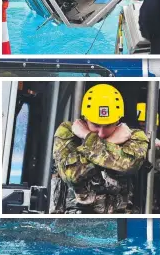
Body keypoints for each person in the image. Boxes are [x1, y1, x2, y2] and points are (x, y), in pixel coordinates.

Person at [50, 84, 149, 214]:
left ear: (118, 119)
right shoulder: (67, 132)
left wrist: (88, 138)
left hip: (120, 222)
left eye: (108, 125)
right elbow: (71, 174)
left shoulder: (134, 136)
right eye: (95, 125)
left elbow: (128, 165)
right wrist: (110, 141)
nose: (101, 133)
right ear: (85, 118)